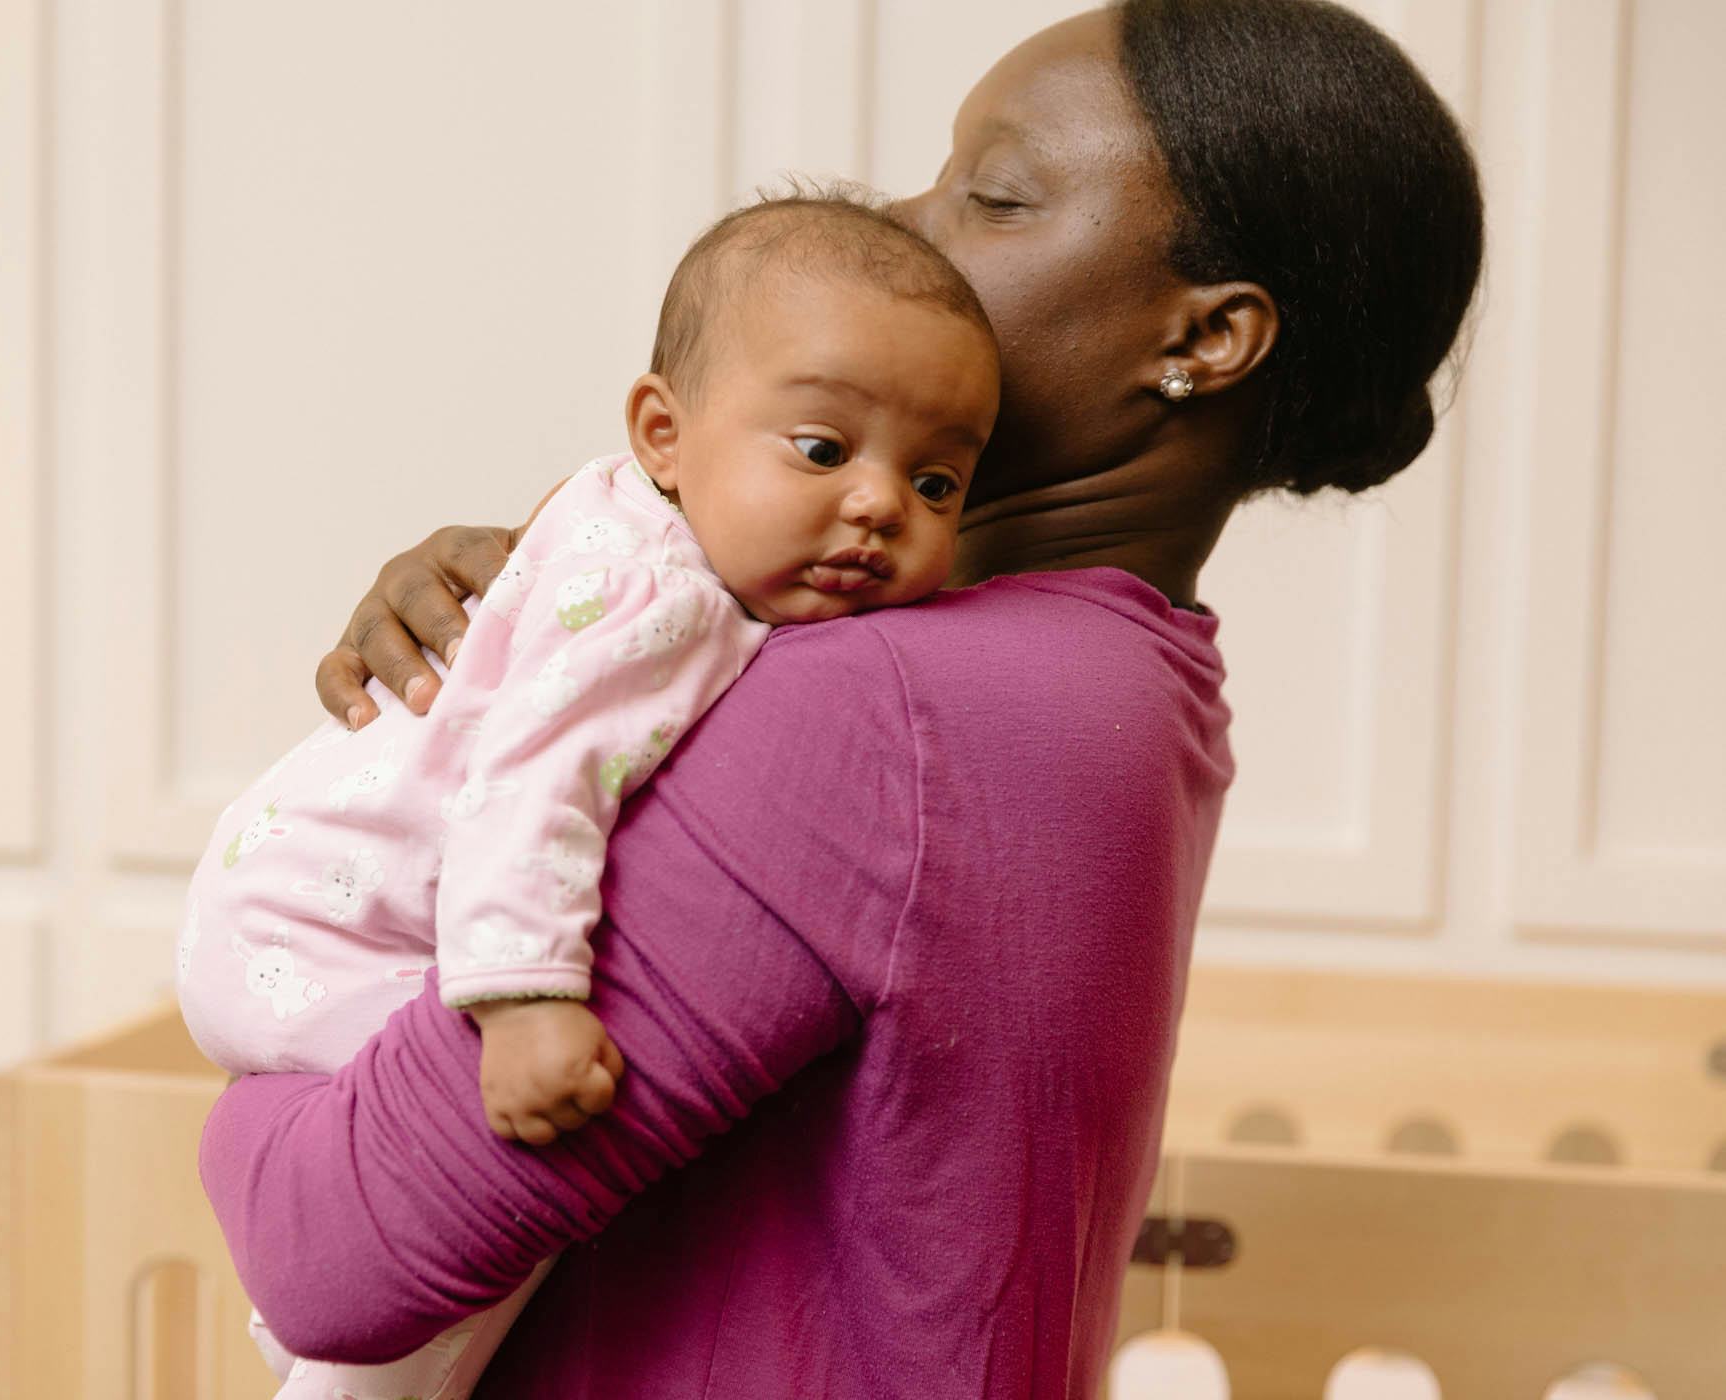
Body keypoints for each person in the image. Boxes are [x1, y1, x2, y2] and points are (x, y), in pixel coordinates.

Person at [198, 1, 1485, 1395]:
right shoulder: (1127, 686)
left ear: (1207, 336)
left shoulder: (885, 710)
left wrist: (249, 1069)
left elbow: (328, 1253)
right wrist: (558, 613)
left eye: (994, 195)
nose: (905, 221)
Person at [179, 193, 1001, 1400]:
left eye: (935, 482)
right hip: (334, 935)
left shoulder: (616, 515)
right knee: (484, 1222)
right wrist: (520, 1003)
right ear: (663, 433)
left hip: (291, 896)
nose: (881, 505)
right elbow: (535, 782)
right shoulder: (665, 604)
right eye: (823, 451)